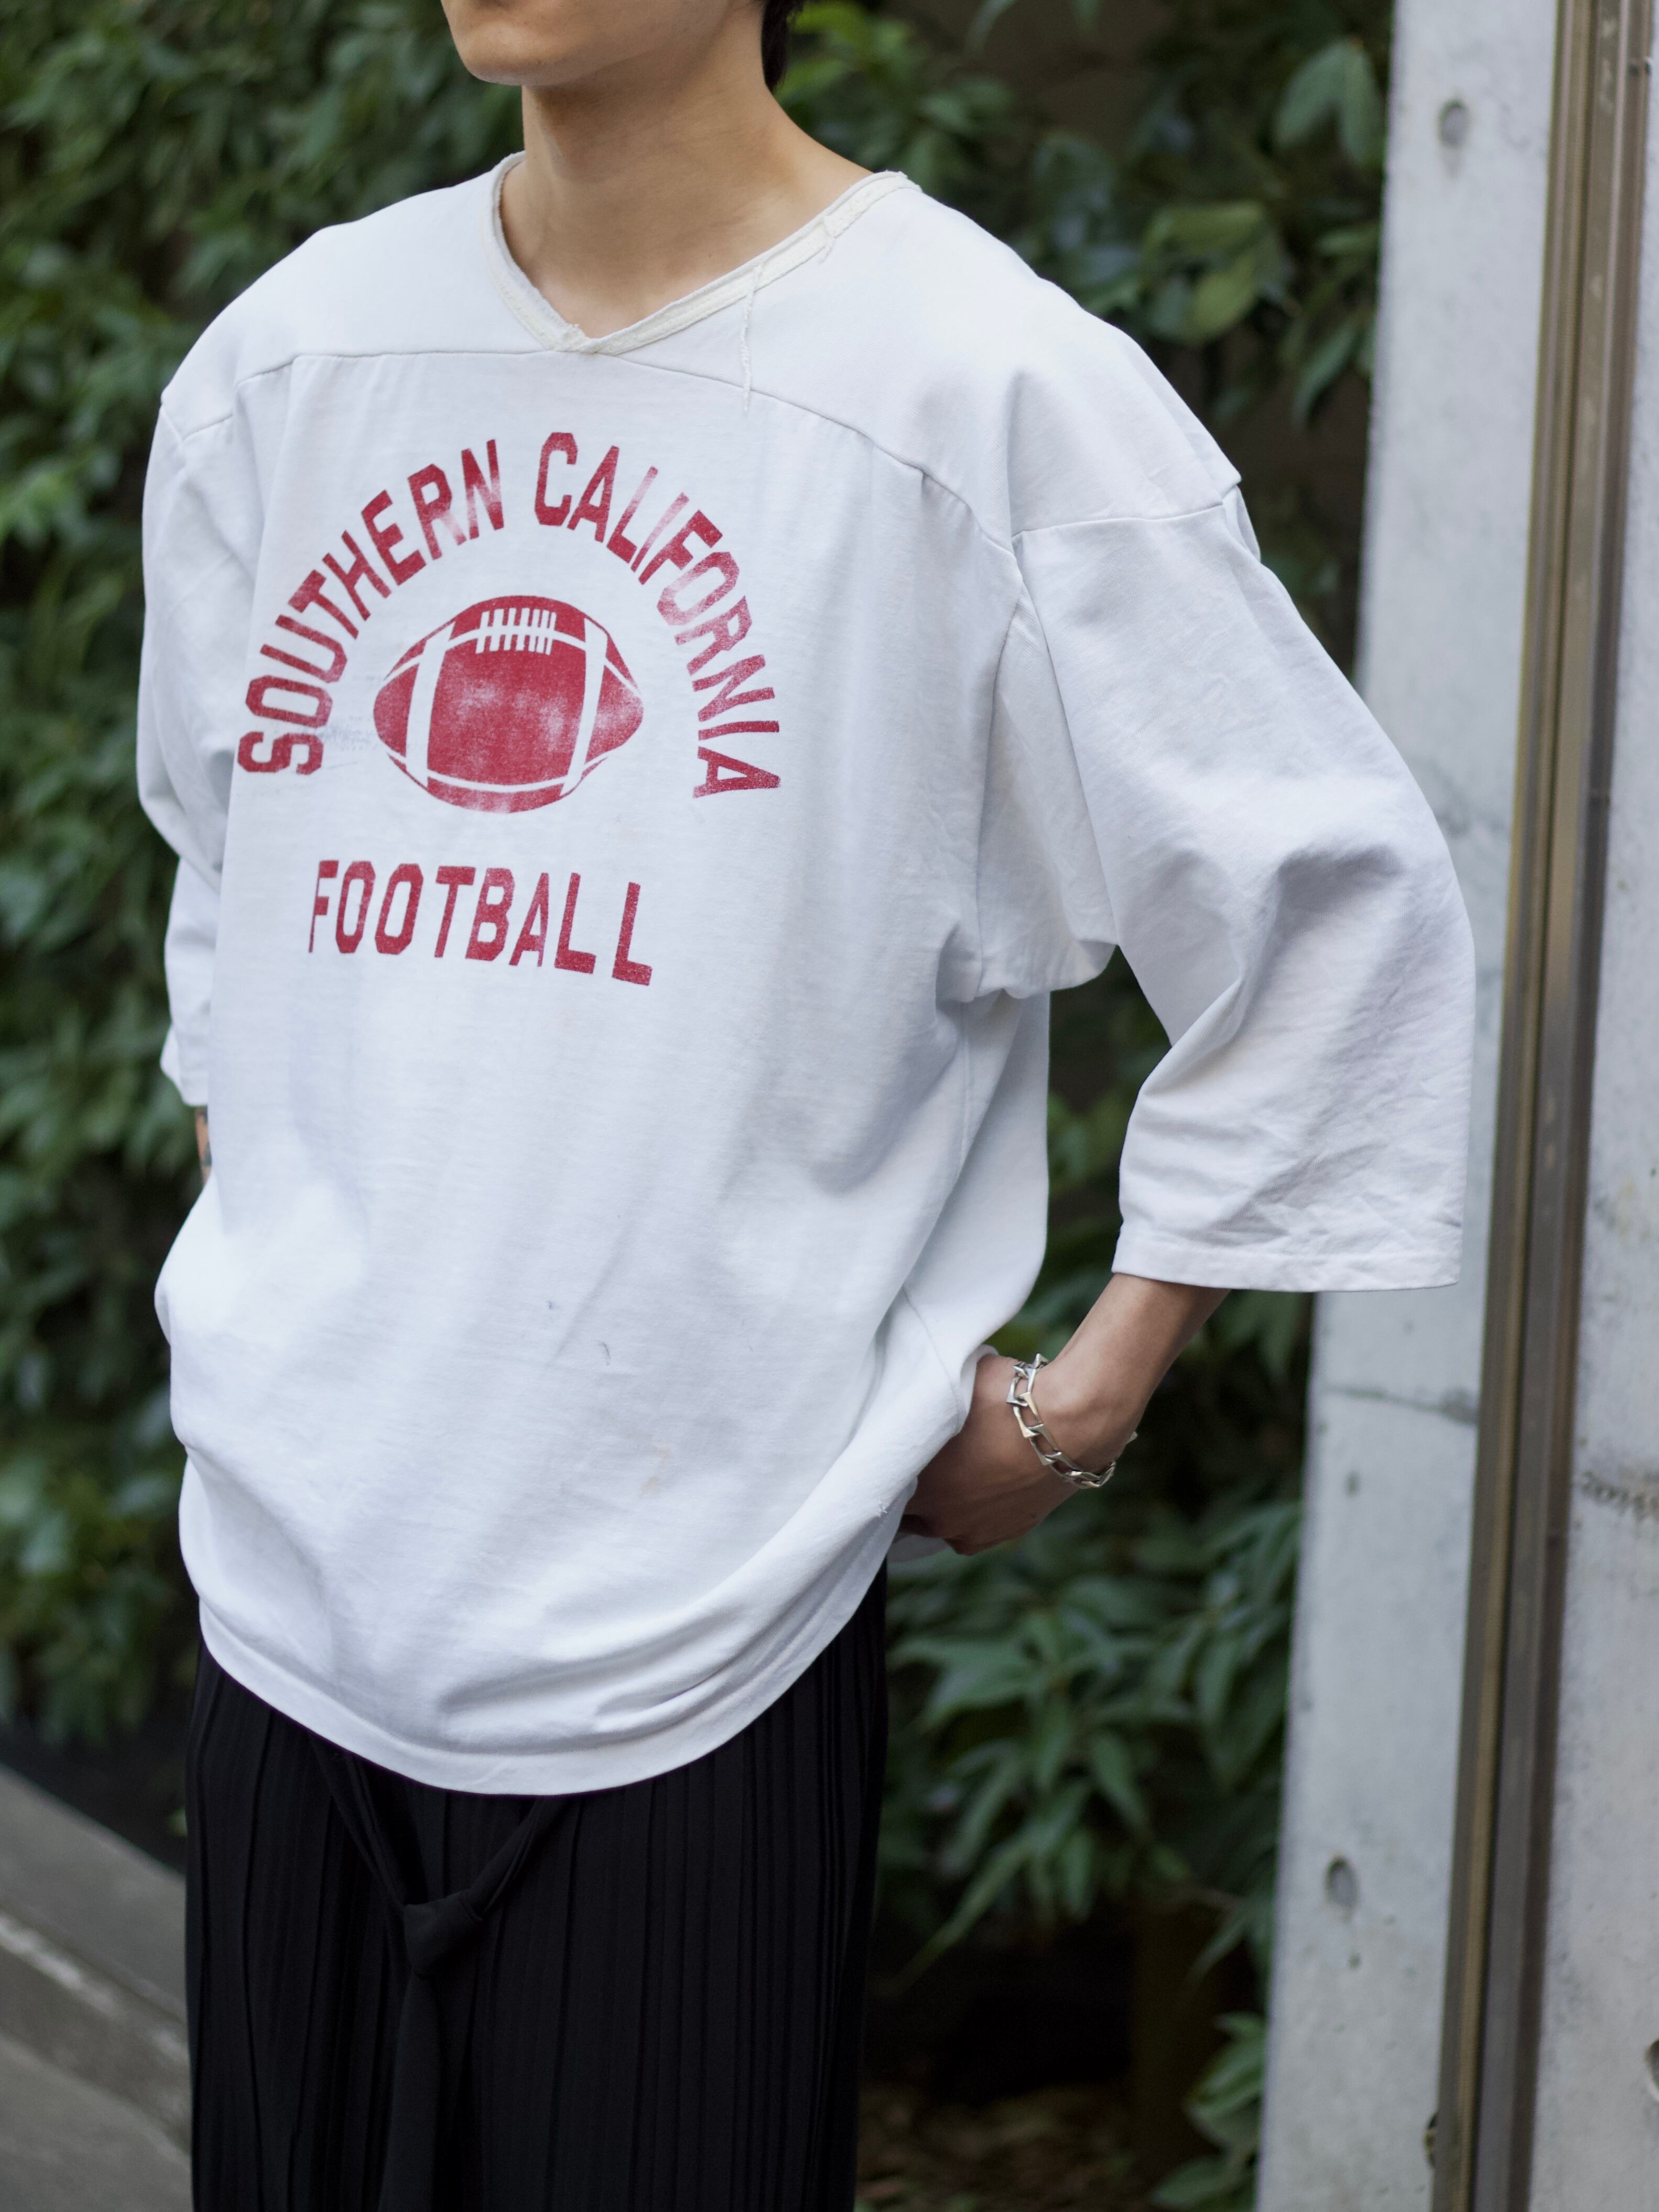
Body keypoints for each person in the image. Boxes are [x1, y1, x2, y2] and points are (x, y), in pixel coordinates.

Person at [136, 0, 1474, 2205]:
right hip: (291, 1596)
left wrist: (1091, 1390)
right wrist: (275, 1234)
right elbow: (227, 873)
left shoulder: (983, 389)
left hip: (708, 1634)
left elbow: (1328, 909)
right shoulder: (295, 360)